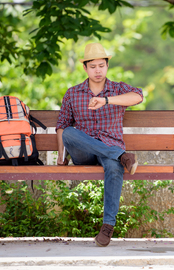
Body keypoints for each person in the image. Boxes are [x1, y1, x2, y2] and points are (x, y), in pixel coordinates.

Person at [56, 43, 144, 247]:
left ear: (107, 66)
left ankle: (107, 227)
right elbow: (62, 127)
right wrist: (61, 156)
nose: (98, 70)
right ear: (85, 68)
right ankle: (121, 155)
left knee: (114, 167)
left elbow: (138, 96)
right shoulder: (73, 93)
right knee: (70, 132)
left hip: (109, 149)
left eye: (102, 65)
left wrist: (106, 100)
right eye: (93, 66)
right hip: (83, 151)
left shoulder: (118, 89)